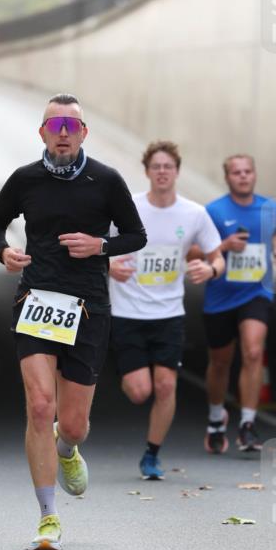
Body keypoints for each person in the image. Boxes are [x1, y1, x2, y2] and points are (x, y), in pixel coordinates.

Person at [0, 93, 146, 550]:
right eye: (54, 126)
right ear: (42, 134)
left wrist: (100, 247)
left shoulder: (106, 180)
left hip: (89, 307)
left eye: (71, 126)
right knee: (39, 406)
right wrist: (3, 251)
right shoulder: (25, 179)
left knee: (72, 424)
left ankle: (68, 446)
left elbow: (136, 234)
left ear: (83, 133)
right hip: (36, 299)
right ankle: (47, 517)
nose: (62, 134)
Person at [108, 140, 224, 479]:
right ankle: (128, 372)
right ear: (146, 171)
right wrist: (110, 266)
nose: (162, 172)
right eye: (156, 166)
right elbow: (99, 248)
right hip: (127, 312)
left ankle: (152, 454)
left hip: (169, 315)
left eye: (168, 167)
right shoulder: (127, 208)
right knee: (139, 391)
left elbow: (217, 255)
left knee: (166, 386)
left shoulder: (193, 214)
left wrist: (211, 269)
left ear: (177, 172)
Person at [201, 154, 276, 452]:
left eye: (248, 171)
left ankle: (248, 424)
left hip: (256, 292)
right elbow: (197, 251)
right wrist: (224, 246)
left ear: (255, 174)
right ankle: (215, 418)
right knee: (221, 360)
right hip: (221, 295)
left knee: (252, 351)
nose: (243, 176)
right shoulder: (213, 211)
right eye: (237, 172)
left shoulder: (271, 207)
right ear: (227, 177)